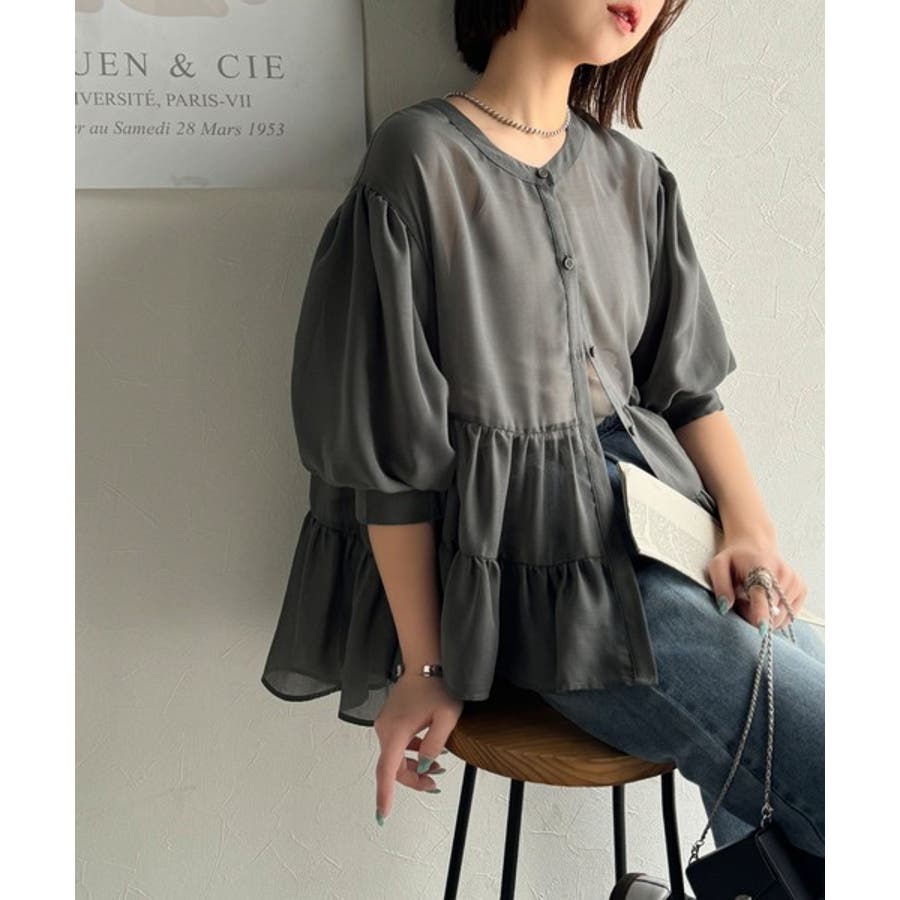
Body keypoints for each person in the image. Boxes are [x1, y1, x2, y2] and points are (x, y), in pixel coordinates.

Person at [259, 0, 825, 884]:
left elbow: (686, 389)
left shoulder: (633, 176)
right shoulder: (418, 161)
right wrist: (427, 661)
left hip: (673, 530)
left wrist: (751, 528)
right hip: (544, 581)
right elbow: (390, 458)